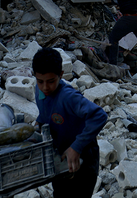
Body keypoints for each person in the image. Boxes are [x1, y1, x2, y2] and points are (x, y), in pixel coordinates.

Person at [32, 48, 108, 198]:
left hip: (84, 157)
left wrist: (76, 147)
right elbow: (45, 113)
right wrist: (37, 127)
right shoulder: (39, 90)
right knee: (60, 192)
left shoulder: (68, 97)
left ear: (60, 75)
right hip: (61, 156)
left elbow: (99, 115)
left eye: (51, 81)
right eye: (40, 81)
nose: (45, 87)